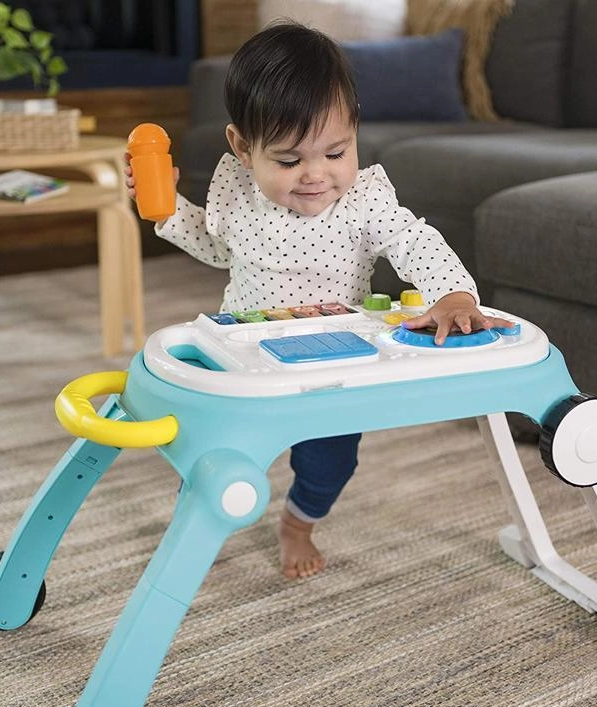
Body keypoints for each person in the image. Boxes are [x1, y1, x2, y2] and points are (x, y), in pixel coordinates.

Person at [125, 21, 513, 580]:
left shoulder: (364, 202)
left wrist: (452, 293)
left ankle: (299, 523)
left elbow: (414, 241)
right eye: (288, 161)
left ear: (354, 132)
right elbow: (218, 249)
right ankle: (201, 518)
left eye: (336, 152)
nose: (315, 175)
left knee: (329, 463)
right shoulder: (240, 196)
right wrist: (168, 211)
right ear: (243, 147)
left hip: (332, 364)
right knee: (214, 447)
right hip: (244, 357)